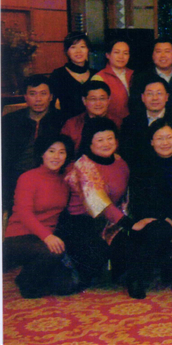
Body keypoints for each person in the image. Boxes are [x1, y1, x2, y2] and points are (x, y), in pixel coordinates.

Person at [3, 134, 78, 298]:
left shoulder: (65, 180)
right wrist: (47, 236)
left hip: (47, 238)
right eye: (51, 151)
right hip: (20, 236)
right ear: (42, 154)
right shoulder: (28, 177)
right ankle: (27, 284)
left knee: (66, 286)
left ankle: (27, 274)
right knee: (51, 254)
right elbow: (24, 212)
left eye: (62, 152)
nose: (56, 156)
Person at [60, 118, 131, 288]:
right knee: (96, 256)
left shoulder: (120, 162)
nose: (106, 144)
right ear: (89, 143)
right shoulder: (83, 165)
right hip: (81, 221)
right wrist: (128, 223)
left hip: (111, 219)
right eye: (100, 140)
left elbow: (126, 197)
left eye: (110, 138)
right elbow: (98, 203)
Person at [124, 119, 172, 298]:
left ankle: (169, 263)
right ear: (151, 141)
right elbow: (142, 202)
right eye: (159, 138)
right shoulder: (141, 165)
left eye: (169, 137)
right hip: (151, 218)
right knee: (159, 230)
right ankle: (136, 278)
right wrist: (168, 220)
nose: (165, 142)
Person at [2, 75, 64, 211]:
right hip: (15, 179)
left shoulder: (61, 120)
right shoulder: (9, 120)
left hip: (50, 179)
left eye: (43, 94)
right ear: (25, 97)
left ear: (51, 97)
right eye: (32, 94)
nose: (38, 99)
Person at [119, 76, 172, 168]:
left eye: (159, 93)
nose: (155, 98)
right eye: (150, 94)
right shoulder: (130, 122)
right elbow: (126, 153)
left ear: (167, 97)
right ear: (143, 97)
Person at [48, 32, 95, 120]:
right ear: (67, 51)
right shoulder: (58, 74)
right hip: (68, 124)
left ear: (88, 49)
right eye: (73, 47)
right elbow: (50, 105)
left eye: (82, 47)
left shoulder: (96, 74)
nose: (78, 51)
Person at [61, 81, 119, 152]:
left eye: (102, 98)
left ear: (109, 100)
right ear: (84, 100)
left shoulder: (118, 122)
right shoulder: (72, 125)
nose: (98, 103)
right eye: (93, 99)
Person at [129, 38, 172, 113]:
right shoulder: (140, 78)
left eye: (167, 51)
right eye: (158, 52)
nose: (163, 55)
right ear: (152, 55)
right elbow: (136, 105)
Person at [91, 38, 133, 122]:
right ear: (107, 55)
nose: (121, 57)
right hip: (110, 125)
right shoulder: (99, 78)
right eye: (117, 52)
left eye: (125, 53)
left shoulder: (134, 75)